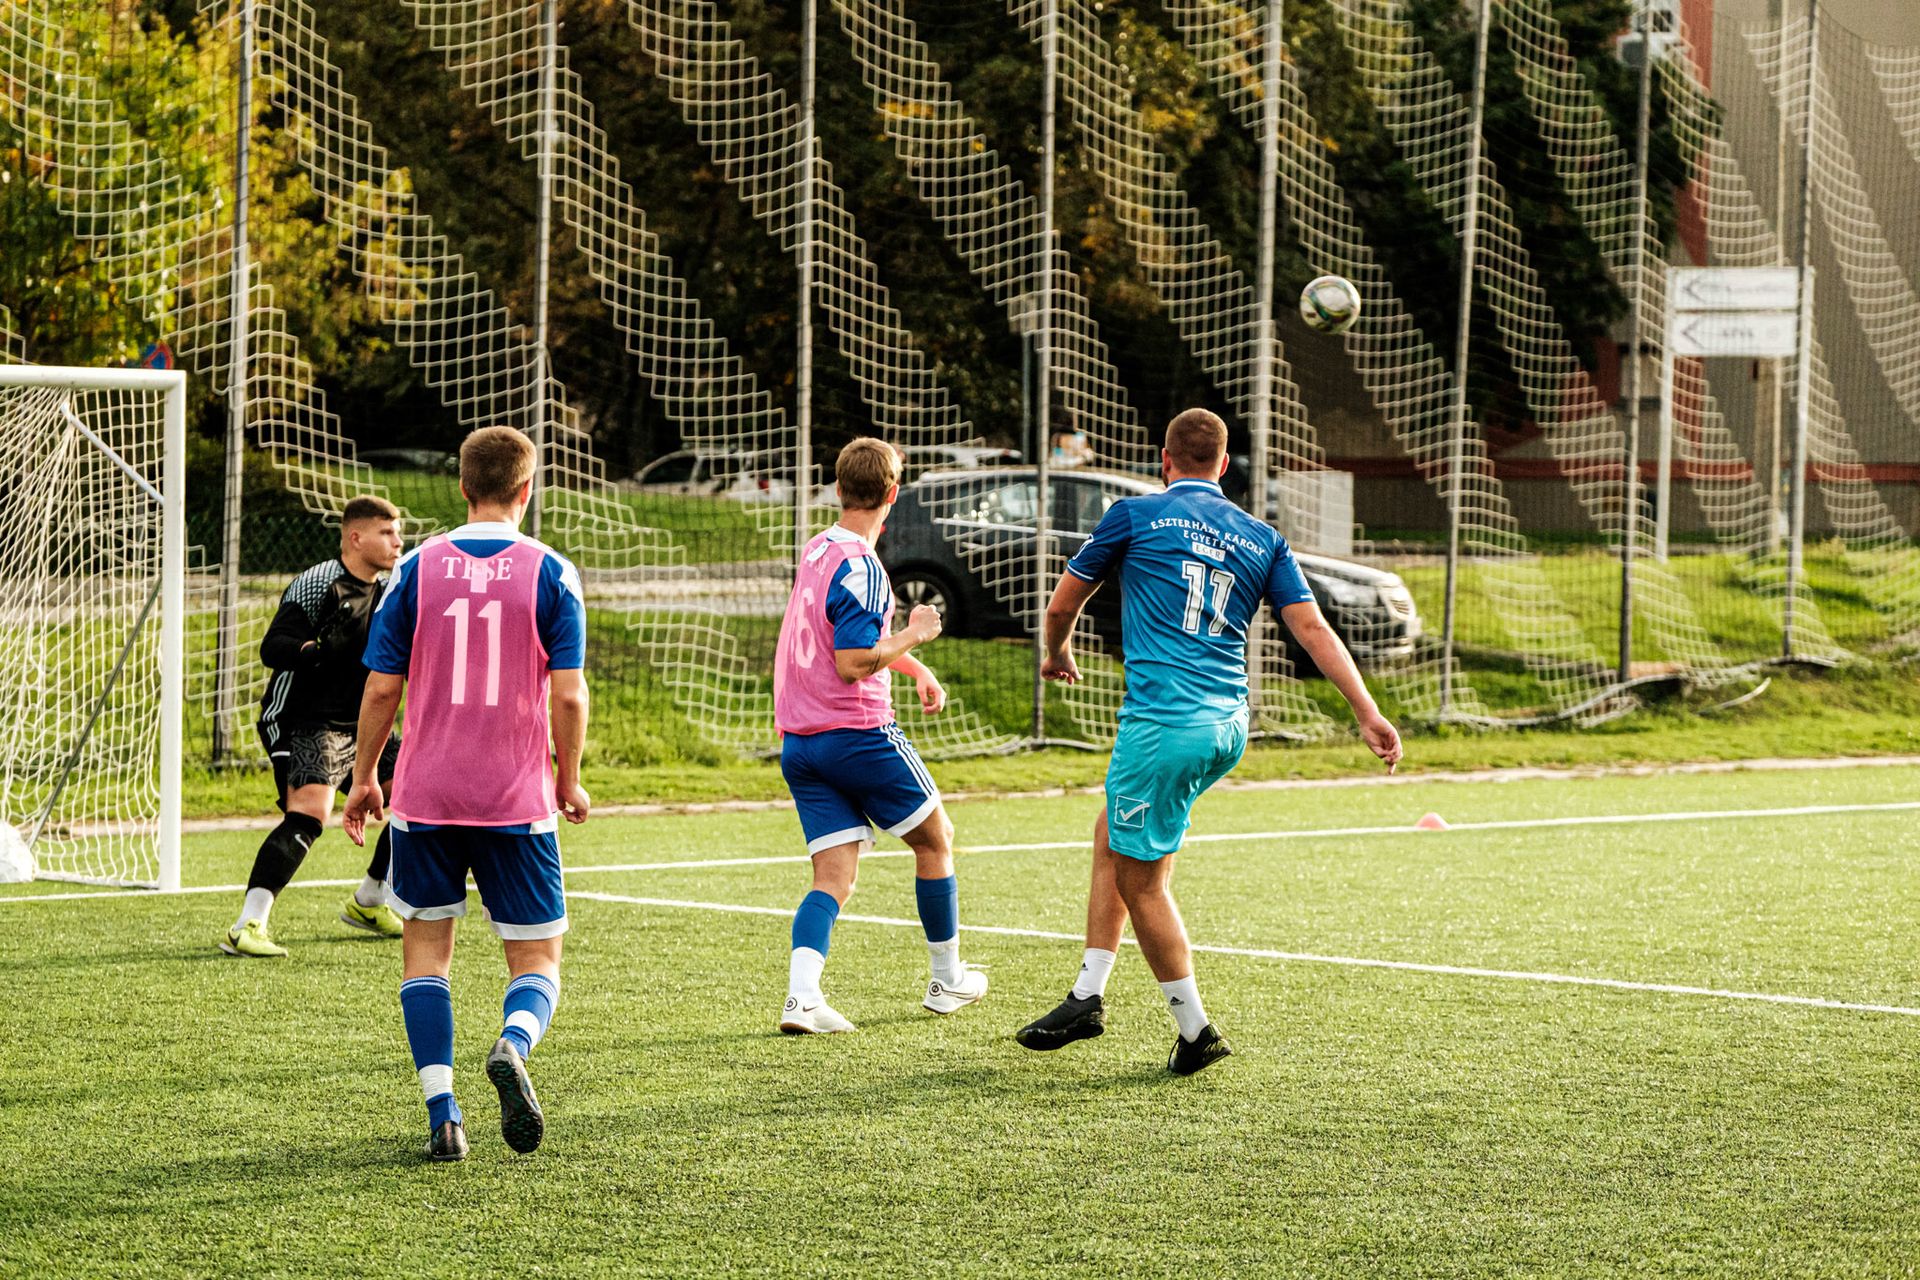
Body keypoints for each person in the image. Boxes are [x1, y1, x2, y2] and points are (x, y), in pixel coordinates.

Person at [1014, 408, 1401, 1075]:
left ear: (1165, 460)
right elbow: (1312, 629)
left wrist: (1057, 653)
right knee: (1113, 832)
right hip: (1227, 725)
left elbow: (1061, 605)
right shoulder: (1262, 537)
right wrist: (1366, 711)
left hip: (1165, 726)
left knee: (1142, 882)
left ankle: (1195, 1030)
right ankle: (1086, 995)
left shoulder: (1132, 515)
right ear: (1224, 465)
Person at [343, 426, 590, 1163]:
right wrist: (568, 778)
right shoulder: (552, 571)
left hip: (426, 797)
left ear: (461, 486)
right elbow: (569, 695)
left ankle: (443, 1114)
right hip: (515, 799)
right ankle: (513, 1043)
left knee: (426, 956)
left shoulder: (415, 569)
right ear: (527, 489)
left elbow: (382, 687)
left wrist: (364, 777)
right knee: (537, 960)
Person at [773, 437, 988, 1035]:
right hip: (857, 734)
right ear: (893, 493)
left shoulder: (819, 549)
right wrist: (917, 633)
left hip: (802, 742)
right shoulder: (864, 567)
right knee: (936, 839)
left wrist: (914, 669)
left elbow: (840, 640)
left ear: (839, 488)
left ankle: (802, 999)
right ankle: (947, 979)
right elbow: (852, 661)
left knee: (833, 877)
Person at [220, 496, 406, 959]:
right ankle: (247, 925)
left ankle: (370, 899)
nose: (397, 542)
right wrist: (315, 651)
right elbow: (273, 646)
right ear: (355, 537)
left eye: (398, 532)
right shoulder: (321, 582)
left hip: (361, 722)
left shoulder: (390, 590)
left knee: (421, 800)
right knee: (308, 814)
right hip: (304, 718)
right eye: (387, 532)